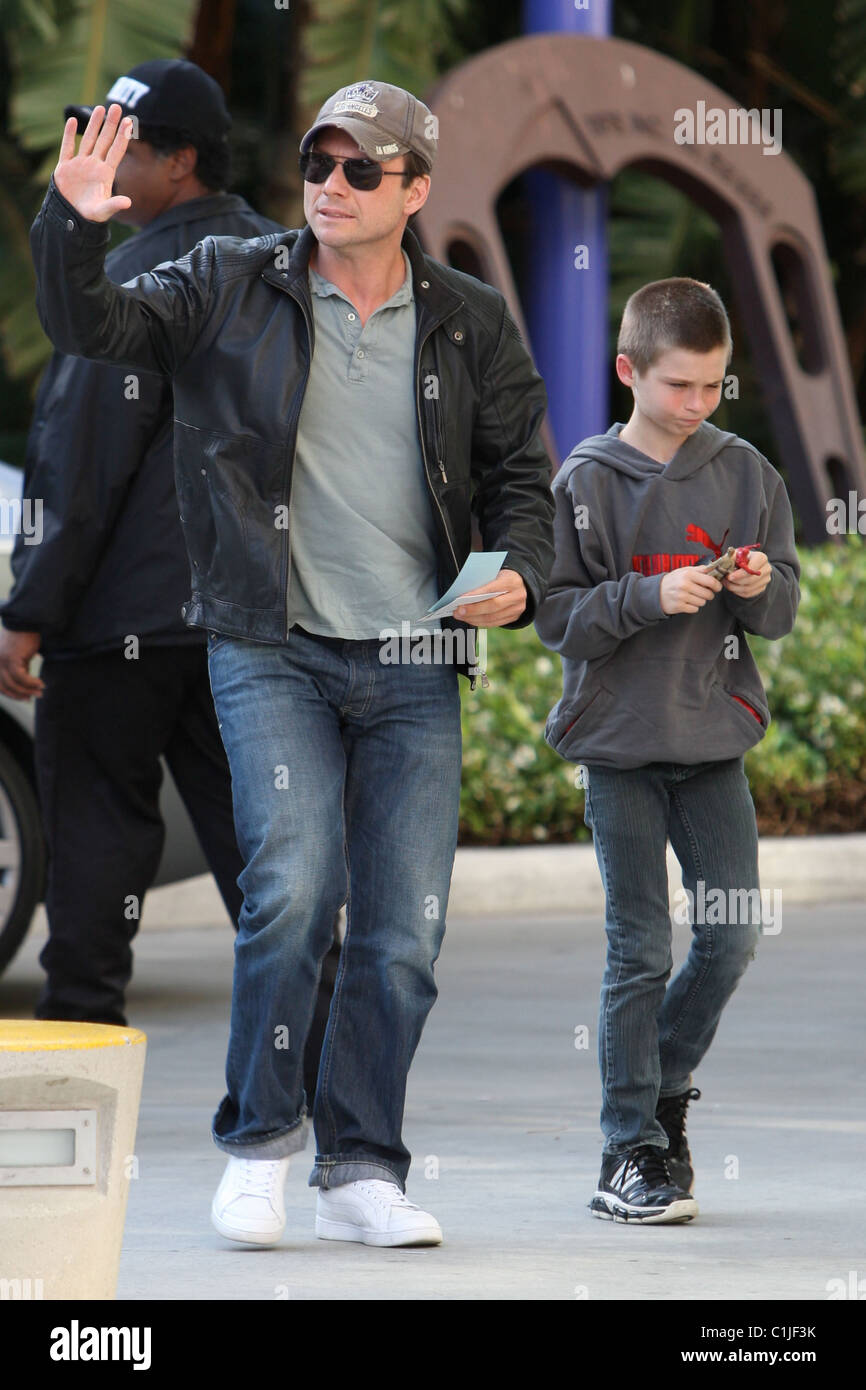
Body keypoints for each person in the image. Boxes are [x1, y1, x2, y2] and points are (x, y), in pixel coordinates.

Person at [30, 80, 554, 1247]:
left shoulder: (465, 320)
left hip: (416, 655)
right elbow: (95, 329)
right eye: (317, 164)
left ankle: (361, 1167)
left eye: (360, 170)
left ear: (414, 188)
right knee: (291, 893)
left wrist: (519, 569)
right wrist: (74, 226)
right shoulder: (229, 281)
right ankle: (259, 1147)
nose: (330, 186)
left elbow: (523, 471)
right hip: (269, 644)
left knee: (403, 932)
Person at [0, 60, 298, 1027]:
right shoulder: (294, 267)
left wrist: (29, 611)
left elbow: (80, 468)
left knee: (93, 850)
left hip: (120, 624)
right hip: (255, 625)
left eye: (122, 143)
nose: (102, 156)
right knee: (272, 864)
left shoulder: (126, 277)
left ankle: (78, 1078)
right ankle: (335, 1099)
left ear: (180, 162)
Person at [535, 278, 799, 1224]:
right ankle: (628, 1151)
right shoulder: (586, 480)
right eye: (679, 385)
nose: (696, 405)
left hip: (711, 741)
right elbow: (555, 619)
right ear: (628, 371)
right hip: (617, 747)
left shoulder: (745, 472)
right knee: (638, 950)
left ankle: (660, 1091)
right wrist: (649, 598)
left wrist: (758, 583)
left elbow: (781, 611)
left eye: (712, 387)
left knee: (732, 935)